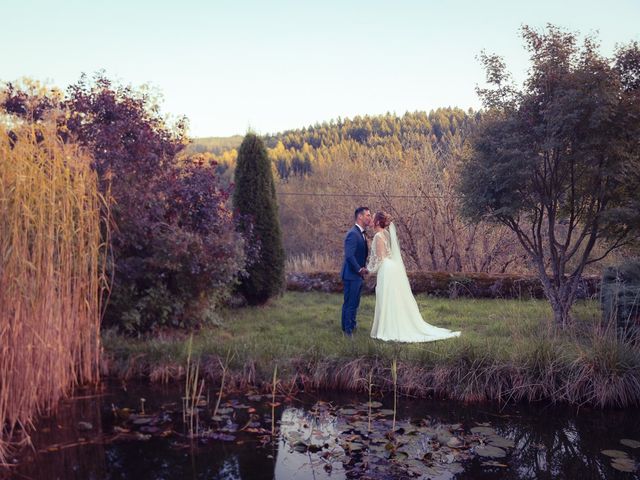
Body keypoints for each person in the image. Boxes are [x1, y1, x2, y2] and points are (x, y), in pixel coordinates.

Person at [367, 211, 461, 342]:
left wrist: (369, 269)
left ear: (377, 222)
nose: (371, 221)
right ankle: (393, 324)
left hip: (386, 269)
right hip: (392, 267)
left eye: (372, 219)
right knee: (392, 298)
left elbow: (380, 258)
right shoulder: (386, 234)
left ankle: (388, 328)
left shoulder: (378, 236)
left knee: (386, 297)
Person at [340, 207, 372, 336]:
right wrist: (359, 269)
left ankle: (351, 325)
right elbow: (349, 255)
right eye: (368, 215)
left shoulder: (361, 233)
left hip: (357, 275)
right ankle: (347, 331)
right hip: (351, 274)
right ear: (360, 216)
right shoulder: (353, 233)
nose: (370, 218)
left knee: (355, 303)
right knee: (350, 303)